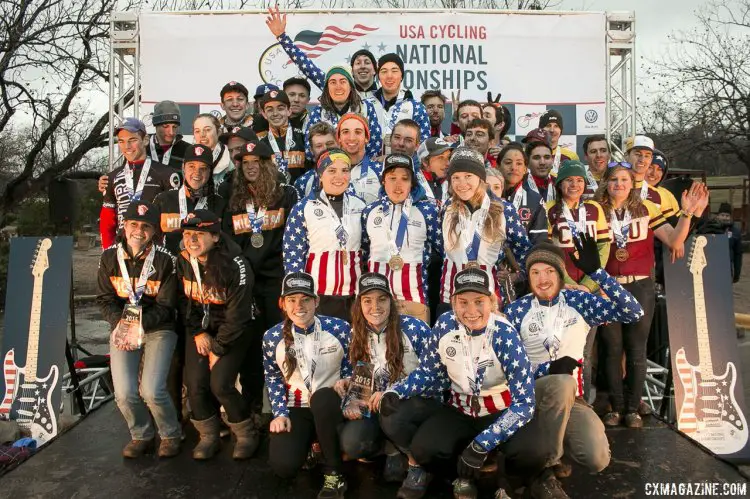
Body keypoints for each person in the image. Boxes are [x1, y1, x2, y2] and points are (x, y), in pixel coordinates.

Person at [379, 268, 547, 499]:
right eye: (462, 302)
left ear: (491, 302)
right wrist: (396, 391)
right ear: (453, 302)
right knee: (423, 449)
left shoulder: (504, 334)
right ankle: (460, 476)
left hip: (500, 411)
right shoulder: (444, 326)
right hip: (460, 410)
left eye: (479, 302)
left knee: (535, 451)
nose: (470, 311)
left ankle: (503, 477)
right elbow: (430, 373)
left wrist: (482, 443)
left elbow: (525, 404)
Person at [505, 237, 645, 491]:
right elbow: (508, 367)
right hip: (530, 396)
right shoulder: (516, 310)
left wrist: (597, 274)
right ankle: (546, 466)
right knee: (559, 381)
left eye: (549, 271)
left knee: (598, 458)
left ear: (560, 274)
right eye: (535, 272)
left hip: (574, 398)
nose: (542, 278)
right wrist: (547, 370)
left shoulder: (578, 302)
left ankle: (555, 448)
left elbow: (633, 312)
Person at [594, 162, 708, 427]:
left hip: (640, 285)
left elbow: (675, 241)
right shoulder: (597, 210)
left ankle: (633, 409)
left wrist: (687, 214)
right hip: (608, 287)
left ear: (632, 183)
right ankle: (616, 407)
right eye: (613, 180)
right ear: (606, 184)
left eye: (624, 179)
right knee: (611, 349)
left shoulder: (647, 208)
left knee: (636, 348)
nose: (619, 184)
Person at [337, 272, 437, 495]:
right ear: (359, 304)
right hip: (376, 406)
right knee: (353, 443)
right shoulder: (355, 333)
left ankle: (416, 465)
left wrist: (395, 392)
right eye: (367, 300)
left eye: (381, 299)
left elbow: (434, 373)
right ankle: (391, 449)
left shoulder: (415, 328)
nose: (375, 306)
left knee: (391, 410)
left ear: (391, 301)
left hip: (415, 404)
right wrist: (350, 394)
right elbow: (357, 374)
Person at [97, 200, 181, 459]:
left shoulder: (167, 261)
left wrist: (139, 326)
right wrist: (121, 325)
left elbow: (167, 306)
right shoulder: (109, 257)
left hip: (158, 328)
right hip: (123, 326)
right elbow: (104, 298)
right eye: (134, 224)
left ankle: (170, 434)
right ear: (124, 225)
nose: (139, 231)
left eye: (146, 226)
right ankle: (142, 434)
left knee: (151, 390)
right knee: (123, 392)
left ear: (155, 231)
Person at [263, 271, 352, 499]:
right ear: (282, 303)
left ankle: (334, 473)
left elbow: (353, 367)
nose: (299, 306)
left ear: (316, 301)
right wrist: (280, 413)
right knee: (283, 466)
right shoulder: (272, 337)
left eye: (305, 299)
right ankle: (312, 444)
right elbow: (272, 377)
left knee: (321, 399)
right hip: (297, 406)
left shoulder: (340, 328)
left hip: (331, 404)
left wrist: (349, 385)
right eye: (291, 300)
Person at [177, 210, 257, 460]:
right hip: (202, 328)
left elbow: (239, 315)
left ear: (214, 236)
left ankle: (245, 432)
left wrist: (218, 348)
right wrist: (198, 332)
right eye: (188, 234)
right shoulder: (183, 260)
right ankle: (208, 435)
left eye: (199, 234)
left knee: (220, 383)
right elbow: (182, 301)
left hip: (235, 330)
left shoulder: (236, 264)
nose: (192, 240)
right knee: (195, 384)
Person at [263, 9, 382, 158]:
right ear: (326, 87)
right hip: (327, 170)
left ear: (351, 87)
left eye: (343, 81)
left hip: (361, 171)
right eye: (332, 82)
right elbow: (309, 148)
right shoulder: (318, 113)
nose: (338, 86)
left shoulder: (365, 108)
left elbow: (375, 144)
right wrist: (282, 37)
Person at [437, 146, 532, 316]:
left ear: (480, 178)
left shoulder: (503, 210)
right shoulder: (447, 208)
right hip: (451, 296)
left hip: (489, 297)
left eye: (468, 176)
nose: (462, 183)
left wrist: (516, 276)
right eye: (456, 177)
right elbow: (438, 248)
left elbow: (524, 250)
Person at [283, 148, 366, 322]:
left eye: (345, 170)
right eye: (332, 171)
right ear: (320, 175)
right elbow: (293, 255)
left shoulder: (360, 205)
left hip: (354, 295)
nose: (339, 177)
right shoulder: (304, 207)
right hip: (317, 297)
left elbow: (367, 249)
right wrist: (300, 297)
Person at [361, 153, 440, 323]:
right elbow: (365, 249)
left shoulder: (427, 211)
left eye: (404, 178)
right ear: (383, 181)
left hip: (414, 298)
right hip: (377, 301)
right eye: (392, 178)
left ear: (412, 183)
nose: (398, 185)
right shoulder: (370, 211)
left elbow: (442, 251)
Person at [100, 118, 180, 249]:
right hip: (122, 252)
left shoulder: (166, 174)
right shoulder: (112, 177)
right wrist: (107, 252)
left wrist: (168, 254)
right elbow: (107, 221)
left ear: (145, 140)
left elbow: (174, 221)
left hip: (156, 251)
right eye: (121, 141)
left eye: (132, 140)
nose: (127, 146)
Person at [266, 6, 378, 100]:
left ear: (375, 69)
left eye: (367, 62)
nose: (362, 66)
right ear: (352, 71)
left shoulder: (384, 95)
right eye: (358, 63)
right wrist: (282, 37)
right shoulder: (340, 90)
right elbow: (308, 67)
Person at [546, 160, 611, 293]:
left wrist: (588, 284)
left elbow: (604, 247)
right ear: (559, 184)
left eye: (580, 180)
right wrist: (566, 282)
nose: (574, 184)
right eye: (569, 180)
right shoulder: (548, 209)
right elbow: (547, 250)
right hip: (560, 285)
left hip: (591, 285)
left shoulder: (594, 208)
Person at [154, 144, 226, 255]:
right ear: (183, 167)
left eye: (203, 168)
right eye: (191, 166)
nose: (197, 172)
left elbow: (224, 244)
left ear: (210, 172)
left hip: (205, 268)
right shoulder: (164, 199)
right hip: (170, 268)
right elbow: (153, 239)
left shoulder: (219, 204)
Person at [371, 53, 431, 152]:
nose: (389, 76)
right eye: (384, 71)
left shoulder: (417, 108)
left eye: (394, 71)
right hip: (371, 166)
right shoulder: (366, 105)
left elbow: (422, 148)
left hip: (406, 166)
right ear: (378, 76)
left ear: (401, 75)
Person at [496, 143, 548, 245]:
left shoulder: (536, 200)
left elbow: (539, 242)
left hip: (523, 259)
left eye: (519, 163)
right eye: (508, 162)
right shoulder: (486, 196)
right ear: (498, 167)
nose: (513, 168)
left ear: (525, 169)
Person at [625, 135, 679, 220]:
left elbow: (674, 230)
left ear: (650, 158)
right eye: (637, 154)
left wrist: (690, 213)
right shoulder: (614, 187)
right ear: (626, 156)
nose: (642, 159)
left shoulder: (658, 194)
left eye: (647, 155)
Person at [258, 89, 307, 182]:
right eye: (270, 110)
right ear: (264, 114)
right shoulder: (261, 145)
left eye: (280, 108)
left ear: (289, 110)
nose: (275, 113)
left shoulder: (303, 138)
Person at [337, 113, 383, 204]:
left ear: (366, 137)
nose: (352, 138)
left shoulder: (380, 171)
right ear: (339, 138)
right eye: (346, 132)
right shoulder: (327, 171)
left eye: (358, 132)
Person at [294, 122, 338, 199]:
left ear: (338, 144)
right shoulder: (303, 182)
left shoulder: (354, 175)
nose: (325, 149)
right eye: (319, 146)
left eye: (330, 143)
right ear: (311, 150)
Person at [193, 113, 234, 191]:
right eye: (197, 131)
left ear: (218, 132)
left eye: (207, 130)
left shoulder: (230, 160)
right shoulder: (188, 159)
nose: (202, 135)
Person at [146, 100, 189, 170]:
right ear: (156, 125)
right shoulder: (142, 148)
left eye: (174, 127)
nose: (171, 132)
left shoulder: (188, 150)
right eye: (165, 126)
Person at [538, 110, 579, 175]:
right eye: (548, 125)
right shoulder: (528, 154)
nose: (552, 130)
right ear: (541, 130)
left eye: (556, 126)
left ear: (561, 130)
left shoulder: (571, 157)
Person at [415, 136, 452, 207]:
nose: (448, 163)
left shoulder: (453, 182)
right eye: (441, 158)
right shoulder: (413, 184)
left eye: (448, 157)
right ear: (425, 161)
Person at [522, 128, 556, 203]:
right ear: (527, 161)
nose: (542, 162)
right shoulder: (517, 184)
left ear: (552, 159)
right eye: (536, 158)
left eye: (547, 157)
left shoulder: (560, 185)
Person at [717, 202, 743, 283]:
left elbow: (738, 254)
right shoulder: (710, 229)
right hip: (712, 267)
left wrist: (737, 273)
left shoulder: (735, 232)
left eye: (727, 216)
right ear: (718, 216)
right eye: (722, 215)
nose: (724, 218)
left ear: (730, 217)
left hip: (728, 269)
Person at [581, 135, 610, 199]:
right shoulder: (579, 182)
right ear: (586, 156)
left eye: (603, 150)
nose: (599, 155)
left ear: (609, 155)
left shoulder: (618, 180)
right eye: (593, 151)